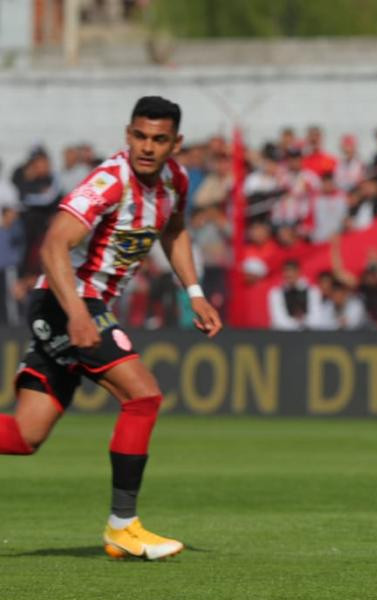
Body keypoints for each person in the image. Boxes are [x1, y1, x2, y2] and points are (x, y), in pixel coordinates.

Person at [0, 96, 223, 560]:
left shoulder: (174, 182)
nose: (147, 147)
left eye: (159, 139)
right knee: (142, 397)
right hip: (65, 302)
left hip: (86, 305)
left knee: (24, 437)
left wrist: (194, 292)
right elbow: (53, 244)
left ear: (174, 143)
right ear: (128, 134)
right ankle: (123, 526)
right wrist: (78, 314)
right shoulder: (108, 181)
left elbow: (174, 230)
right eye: (140, 136)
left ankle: (123, 528)